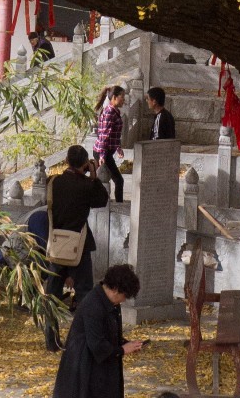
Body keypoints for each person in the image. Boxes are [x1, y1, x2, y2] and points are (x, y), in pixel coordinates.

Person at [42, 145, 110, 352]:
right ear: (84, 163)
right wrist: (94, 175)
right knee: (84, 294)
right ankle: (80, 340)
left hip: (57, 244)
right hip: (79, 245)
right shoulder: (86, 186)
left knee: (52, 293)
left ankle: (51, 341)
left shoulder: (53, 182)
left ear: (66, 160)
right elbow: (102, 200)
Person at [51, 263, 144, 398]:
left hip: (103, 364)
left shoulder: (112, 302)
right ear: (115, 289)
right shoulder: (93, 304)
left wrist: (128, 344)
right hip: (85, 365)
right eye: (124, 296)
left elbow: (111, 334)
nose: (123, 300)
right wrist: (123, 349)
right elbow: (97, 344)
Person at [96, 86, 127, 201]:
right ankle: (117, 205)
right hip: (103, 152)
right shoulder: (110, 112)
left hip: (106, 151)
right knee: (118, 180)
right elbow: (104, 135)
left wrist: (118, 148)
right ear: (114, 97)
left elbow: (114, 134)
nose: (124, 100)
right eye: (122, 97)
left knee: (105, 180)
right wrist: (103, 155)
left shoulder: (115, 111)